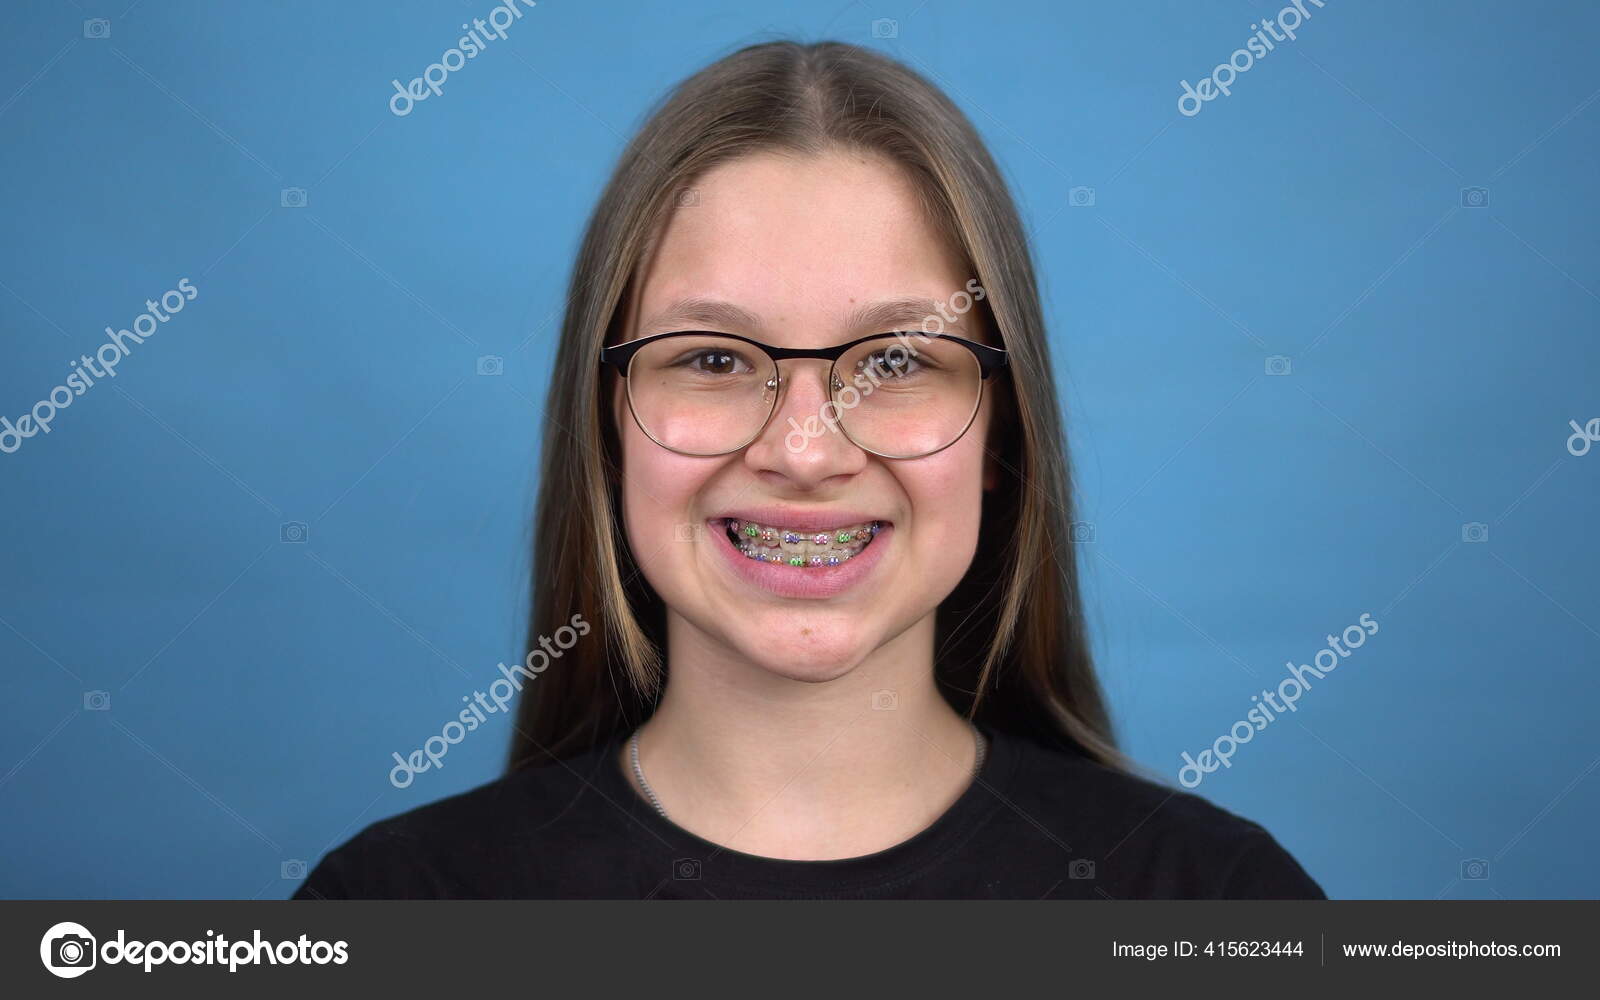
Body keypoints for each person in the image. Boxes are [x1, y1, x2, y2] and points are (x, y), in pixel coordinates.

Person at [295, 40, 1322, 900]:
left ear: (1002, 435)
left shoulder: (1217, 897)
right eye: (710, 358)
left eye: (894, 361)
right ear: (605, 428)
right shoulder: (395, 904)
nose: (804, 449)